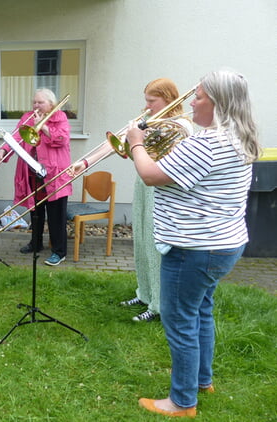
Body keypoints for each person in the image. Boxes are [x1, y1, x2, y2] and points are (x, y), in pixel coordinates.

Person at [126, 69, 261, 417]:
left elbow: (151, 174)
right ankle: (201, 379)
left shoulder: (209, 142)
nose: (191, 101)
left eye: (198, 96)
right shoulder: (238, 135)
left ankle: (182, 401)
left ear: (217, 102)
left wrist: (136, 142)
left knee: (180, 319)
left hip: (194, 249)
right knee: (200, 312)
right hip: (223, 244)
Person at [120, 78, 193, 322]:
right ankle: (144, 293)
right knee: (140, 237)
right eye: (147, 101)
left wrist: (141, 140)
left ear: (168, 99)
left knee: (154, 244)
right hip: (143, 182)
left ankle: (159, 305)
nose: (148, 106)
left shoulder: (180, 125)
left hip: (161, 187)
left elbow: (172, 162)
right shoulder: (154, 120)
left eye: (152, 101)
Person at [0, 88, 72, 266]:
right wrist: (3, 150)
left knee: (56, 215)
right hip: (32, 172)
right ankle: (36, 243)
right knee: (36, 212)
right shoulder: (28, 117)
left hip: (54, 174)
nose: (36, 105)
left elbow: (63, 139)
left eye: (40, 102)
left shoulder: (60, 117)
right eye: (34, 102)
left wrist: (43, 126)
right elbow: (16, 137)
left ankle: (59, 252)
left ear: (51, 104)